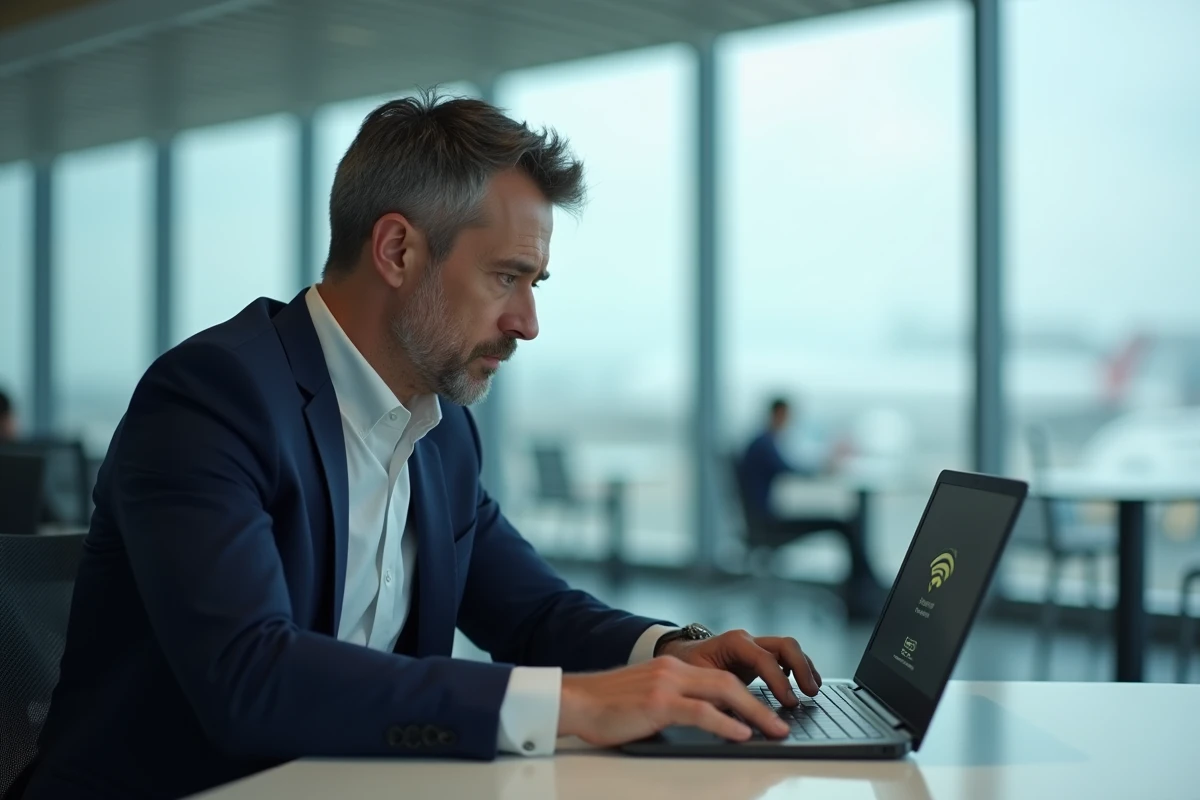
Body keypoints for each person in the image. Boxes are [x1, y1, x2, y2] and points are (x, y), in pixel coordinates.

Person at [16, 94, 822, 800]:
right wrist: (575, 704)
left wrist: (674, 655)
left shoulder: (441, 431)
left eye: (535, 284)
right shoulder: (213, 398)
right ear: (398, 250)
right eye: (506, 277)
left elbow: (533, 612)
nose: (527, 323)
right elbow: (250, 677)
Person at [737, 397, 883, 617]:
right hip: (768, 524)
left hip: (763, 519)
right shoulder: (763, 444)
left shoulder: (759, 442)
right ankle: (864, 595)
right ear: (778, 415)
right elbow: (789, 468)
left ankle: (864, 591)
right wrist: (825, 467)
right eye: (787, 417)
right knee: (842, 525)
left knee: (842, 523)